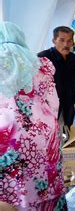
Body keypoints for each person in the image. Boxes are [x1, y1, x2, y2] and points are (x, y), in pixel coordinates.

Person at [0, 22, 66, 210]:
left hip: (6, 136)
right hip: (43, 133)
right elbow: (54, 103)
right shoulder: (41, 64)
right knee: (46, 181)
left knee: (13, 187)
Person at [38, 26, 75, 132]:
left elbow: (74, 82)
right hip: (48, 110)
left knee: (65, 135)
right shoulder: (43, 58)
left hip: (67, 106)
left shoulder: (73, 58)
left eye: (69, 41)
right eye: (62, 40)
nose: (66, 44)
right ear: (54, 41)